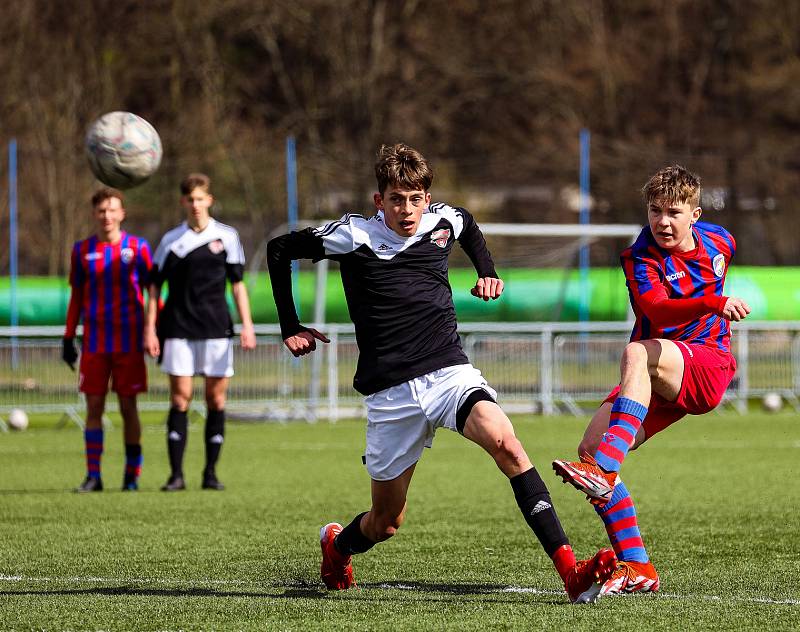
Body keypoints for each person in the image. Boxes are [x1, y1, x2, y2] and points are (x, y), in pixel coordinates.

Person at [267, 143, 617, 603]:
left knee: (508, 444)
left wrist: (487, 269)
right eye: (396, 199)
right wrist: (290, 325)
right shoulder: (354, 235)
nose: (407, 210)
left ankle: (571, 574)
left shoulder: (442, 220)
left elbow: (468, 224)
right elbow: (279, 249)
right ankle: (337, 547)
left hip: (448, 371)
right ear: (379, 201)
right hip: (389, 392)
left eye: (415, 199)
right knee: (386, 521)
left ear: (426, 199)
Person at [552, 165, 751, 599]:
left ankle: (604, 470)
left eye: (674, 212)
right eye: (655, 210)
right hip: (658, 373)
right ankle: (639, 565)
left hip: (707, 366)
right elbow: (657, 311)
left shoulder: (721, 241)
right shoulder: (639, 257)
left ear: (695, 215)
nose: (662, 221)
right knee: (589, 447)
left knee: (635, 354)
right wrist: (716, 301)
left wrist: (716, 308)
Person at [144, 173, 257, 492]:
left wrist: (247, 325)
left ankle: (210, 473)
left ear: (209, 200)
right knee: (180, 398)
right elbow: (154, 288)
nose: (195, 204)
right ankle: (176, 475)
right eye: (190, 199)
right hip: (178, 328)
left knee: (215, 399)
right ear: (183, 202)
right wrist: (150, 329)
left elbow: (237, 286)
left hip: (217, 328)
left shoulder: (228, 236)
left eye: (200, 198)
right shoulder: (170, 240)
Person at [63, 187, 153, 492]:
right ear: (94, 214)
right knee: (94, 408)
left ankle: (132, 475)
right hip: (95, 343)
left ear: (122, 213)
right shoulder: (81, 251)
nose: (107, 216)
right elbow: (76, 297)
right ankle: (93, 476)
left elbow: (152, 294)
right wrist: (68, 337)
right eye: (102, 210)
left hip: (128, 342)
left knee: (129, 407)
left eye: (113, 210)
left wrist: (153, 329)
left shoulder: (138, 248)